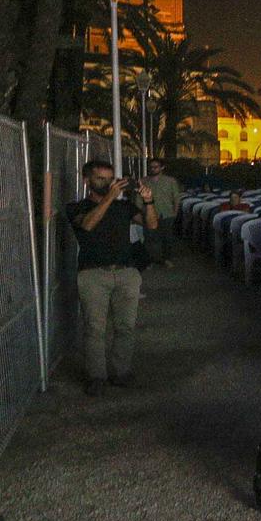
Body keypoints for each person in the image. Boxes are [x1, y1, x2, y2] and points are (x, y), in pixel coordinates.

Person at [68, 160, 156, 395]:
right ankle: (96, 377)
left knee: (125, 327)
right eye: (100, 179)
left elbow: (151, 224)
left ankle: (121, 372)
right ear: (87, 181)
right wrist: (110, 197)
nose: (106, 183)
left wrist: (148, 201)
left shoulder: (123, 207)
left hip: (126, 272)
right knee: (95, 329)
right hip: (93, 274)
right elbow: (87, 225)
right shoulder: (77, 208)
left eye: (109, 179)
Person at [142, 159, 180, 266]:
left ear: (162, 167)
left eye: (156, 167)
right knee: (149, 238)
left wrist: (175, 212)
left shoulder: (170, 181)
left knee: (167, 237)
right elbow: (139, 199)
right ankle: (150, 260)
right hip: (149, 214)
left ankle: (167, 259)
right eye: (152, 167)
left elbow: (176, 197)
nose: (153, 169)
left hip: (167, 213)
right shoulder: (144, 181)